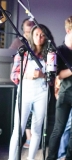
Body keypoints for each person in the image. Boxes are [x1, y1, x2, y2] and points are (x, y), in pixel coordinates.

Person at [9, 24, 54, 160]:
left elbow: (52, 78)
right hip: (25, 92)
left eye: (42, 35)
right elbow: (14, 76)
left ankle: (31, 158)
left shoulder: (50, 54)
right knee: (18, 129)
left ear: (46, 37)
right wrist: (27, 75)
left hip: (42, 92)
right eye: (36, 35)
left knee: (37, 129)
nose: (39, 38)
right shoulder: (24, 53)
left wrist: (42, 75)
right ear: (31, 36)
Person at [47, 16, 72, 160]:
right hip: (65, 93)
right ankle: (51, 157)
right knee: (58, 129)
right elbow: (59, 75)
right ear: (68, 31)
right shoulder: (60, 51)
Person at [9, 18, 35, 149]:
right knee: (23, 114)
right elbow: (11, 54)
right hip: (22, 79)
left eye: (32, 25)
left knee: (33, 113)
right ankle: (26, 138)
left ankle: (32, 139)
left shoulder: (36, 41)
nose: (30, 27)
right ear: (23, 28)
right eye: (28, 26)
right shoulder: (18, 41)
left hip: (36, 83)